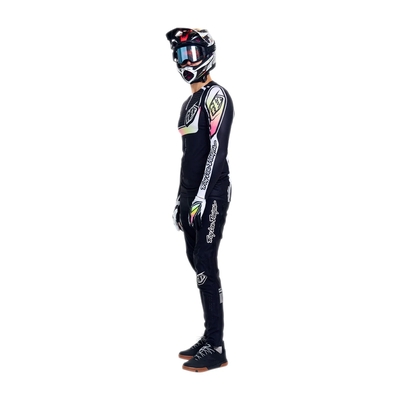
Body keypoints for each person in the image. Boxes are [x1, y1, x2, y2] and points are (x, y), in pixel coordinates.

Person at [166, 27, 235, 373]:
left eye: (191, 54)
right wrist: (181, 199)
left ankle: (216, 346)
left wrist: (203, 195)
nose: (186, 62)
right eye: (180, 55)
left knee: (206, 265)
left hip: (212, 193)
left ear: (207, 56)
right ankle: (209, 336)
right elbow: (188, 156)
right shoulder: (187, 103)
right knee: (197, 264)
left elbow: (216, 150)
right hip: (192, 196)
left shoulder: (215, 95)